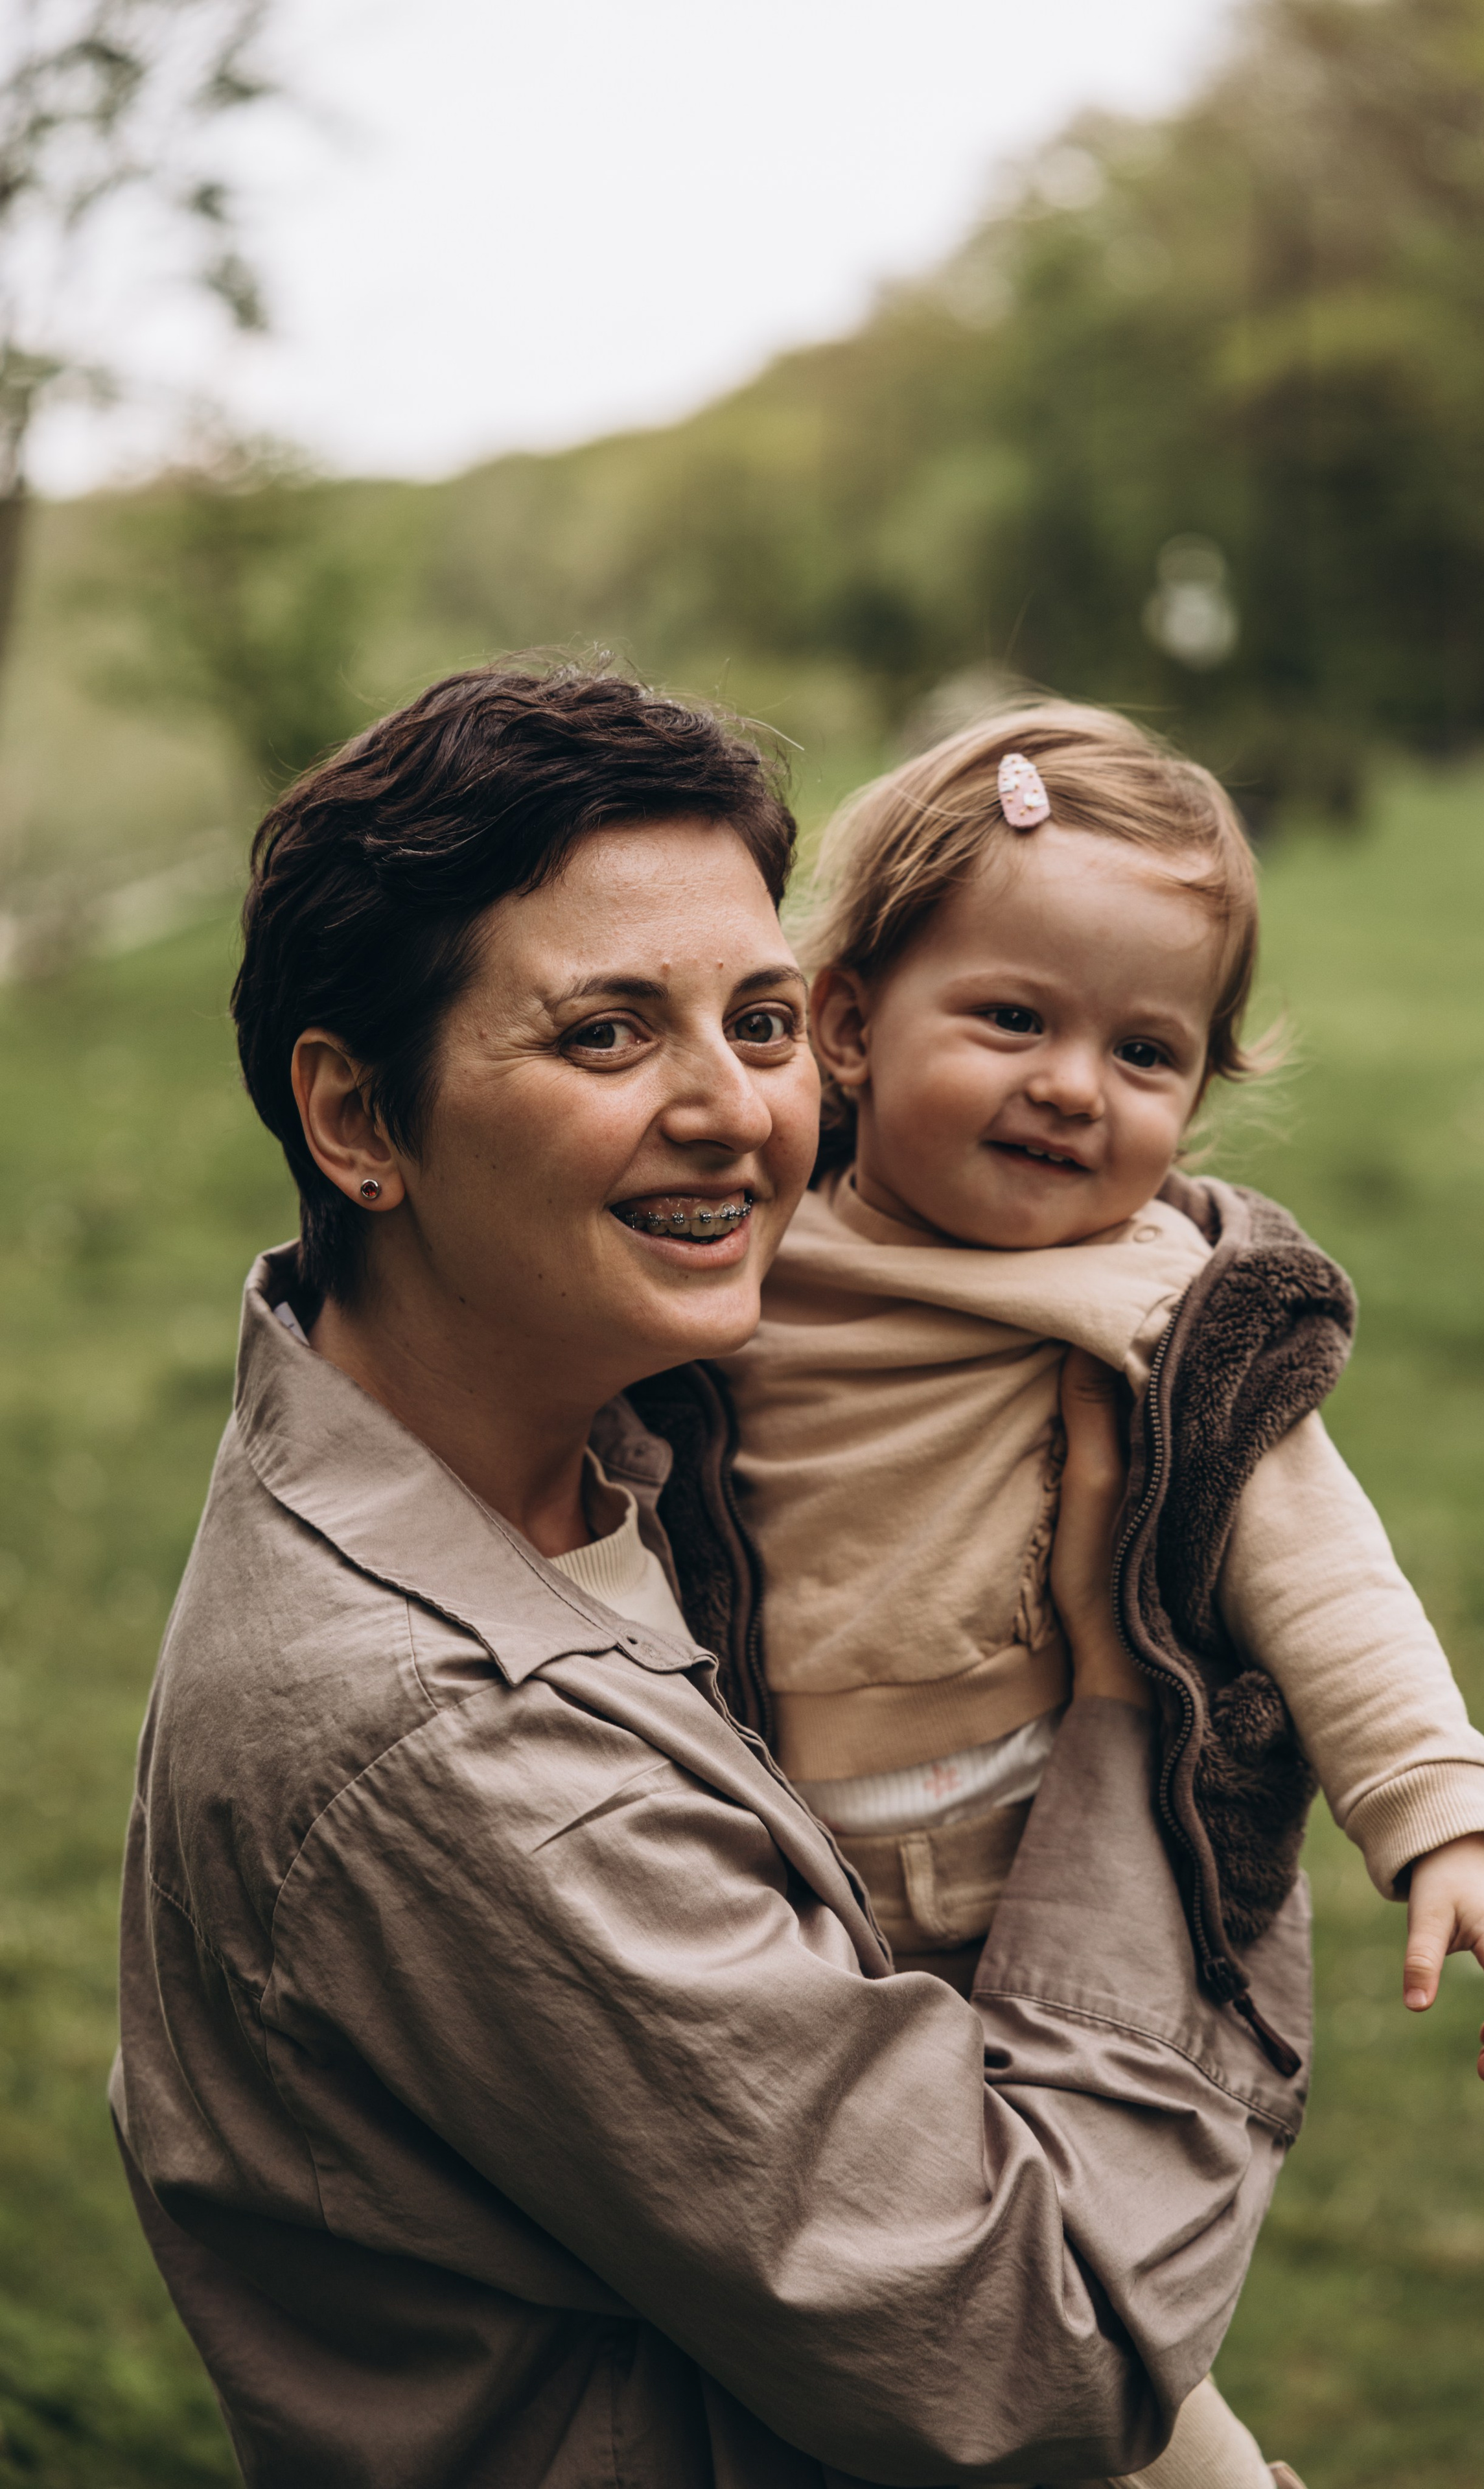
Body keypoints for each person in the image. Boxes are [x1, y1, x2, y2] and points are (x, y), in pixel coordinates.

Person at [113, 666, 1316, 2489]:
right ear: (358, 1124)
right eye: (608, 1035)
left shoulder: (582, 1429)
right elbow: (1040, 2347)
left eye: (760, 1022)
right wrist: (1154, 1694)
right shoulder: (471, 1765)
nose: (738, 1115)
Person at [716, 700, 1484, 2489]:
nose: (1075, 1087)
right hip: (793, 1899)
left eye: (1147, 1051)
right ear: (853, 1023)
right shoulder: (745, 1260)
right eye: (1013, 1018)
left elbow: (1328, 1572)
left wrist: (1439, 1826)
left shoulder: (1164, 1311)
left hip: (1061, 1882)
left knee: (1094, 2350)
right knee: (863, 2308)